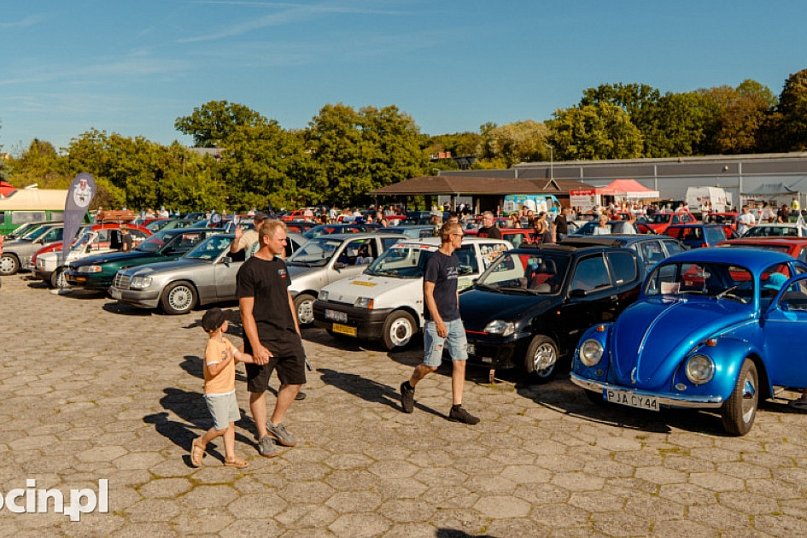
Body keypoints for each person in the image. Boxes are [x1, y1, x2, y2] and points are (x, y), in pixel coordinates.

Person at [237, 220, 308, 457]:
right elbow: (246, 313)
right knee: (258, 389)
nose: (284, 243)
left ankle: (275, 423)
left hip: (287, 335)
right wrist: (255, 346)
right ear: (266, 239)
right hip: (263, 339)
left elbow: (286, 297)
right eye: (281, 239)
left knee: (295, 382)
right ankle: (262, 435)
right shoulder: (248, 270)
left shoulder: (280, 265)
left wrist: (296, 330)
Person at [399, 222, 480, 425]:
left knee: (460, 361)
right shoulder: (434, 260)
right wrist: (438, 321)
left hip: (455, 320)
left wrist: (457, 312)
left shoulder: (454, 259)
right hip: (437, 321)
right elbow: (428, 292)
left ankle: (457, 407)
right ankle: (409, 386)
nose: (463, 238)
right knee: (432, 365)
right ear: (450, 237)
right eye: (460, 235)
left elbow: (453, 289)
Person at [190, 307, 255, 469]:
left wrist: (258, 358)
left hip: (229, 391)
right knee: (221, 427)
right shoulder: (212, 346)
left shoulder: (225, 342)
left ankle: (230, 457)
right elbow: (212, 371)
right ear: (221, 326)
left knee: (230, 424)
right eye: (225, 321)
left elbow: (240, 356)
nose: (228, 322)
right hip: (216, 393)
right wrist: (229, 359)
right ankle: (200, 442)